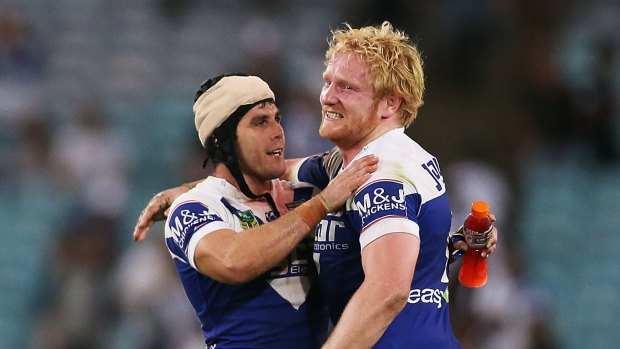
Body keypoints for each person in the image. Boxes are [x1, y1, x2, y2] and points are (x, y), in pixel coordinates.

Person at [134, 22, 498, 348]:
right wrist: (181, 193)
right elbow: (266, 180)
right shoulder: (342, 170)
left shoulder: (381, 174)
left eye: (346, 87)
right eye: (327, 82)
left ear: (390, 103)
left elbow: (387, 291)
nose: (327, 96)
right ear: (219, 141)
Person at [156, 73, 378, 348]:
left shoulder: (300, 189)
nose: (277, 131)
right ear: (219, 141)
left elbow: (366, 155)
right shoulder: (192, 208)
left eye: (277, 119)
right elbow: (232, 262)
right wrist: (320, 205)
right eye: (260, 122)